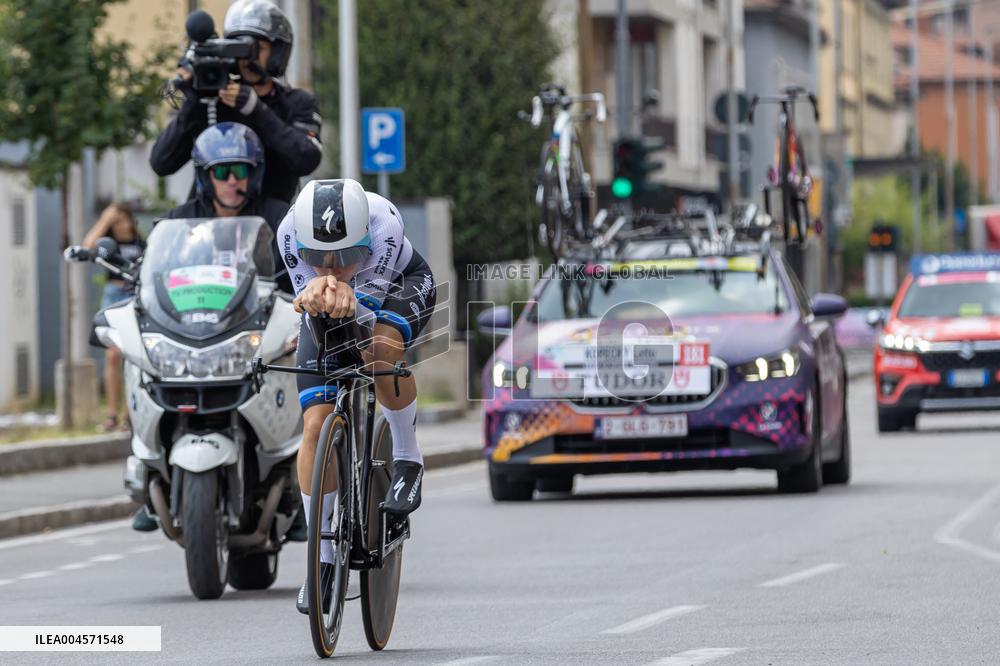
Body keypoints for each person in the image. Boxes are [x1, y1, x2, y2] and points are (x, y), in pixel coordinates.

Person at [278, 179, 437, 614]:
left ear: (364, 240)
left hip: (402, 285)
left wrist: (333, 291)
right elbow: (317, 308)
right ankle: (322, 559)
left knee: (380, 350)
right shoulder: (287, 232)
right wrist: (317, 294)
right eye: (317, 258)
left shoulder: (383, 222)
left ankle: (407, 456)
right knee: (315, 424)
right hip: (332, 306)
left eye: (347, 255)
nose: (331, 267)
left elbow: (361, 321)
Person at [150, 0, 322, 204]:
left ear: (277, 53)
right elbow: (162, 163)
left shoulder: (298, 102)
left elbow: (306, 159)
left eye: (257, 48)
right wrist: (194, 101)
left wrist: (256, 109)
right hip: (211, 220)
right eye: (239, 48)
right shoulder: (213, 101)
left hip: (275, 218)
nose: (247, 58)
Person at [164, 122, 293, 293]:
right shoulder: (180, 220)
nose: (232, 181)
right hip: (195, 306)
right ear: (206, 176)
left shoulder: (280, 218)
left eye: (240, 171)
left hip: (263, 308)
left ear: (252, 174)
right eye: (222, 172)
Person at [82, 203, 146, 432]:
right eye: (115, 221)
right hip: (113, 295)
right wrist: (105, 220)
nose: (119, 225)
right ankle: (111, 414)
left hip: (133, 296)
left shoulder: (140, 243)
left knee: (132, 356)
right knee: (112, 356)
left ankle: (129, 415)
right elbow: (88, 246)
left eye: (122, 219)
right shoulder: (108, 244)